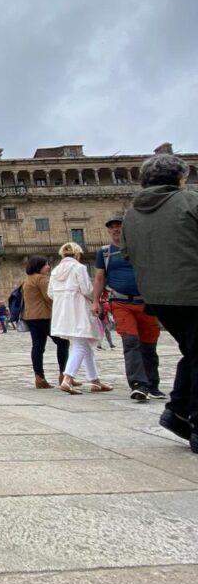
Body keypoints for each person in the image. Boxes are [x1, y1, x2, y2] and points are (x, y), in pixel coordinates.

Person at [121, 153, 198, 452]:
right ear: (180, 178)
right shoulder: (190, 201)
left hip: (156, 298)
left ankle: (177, 412)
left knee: (193, 352)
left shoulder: (131, 214)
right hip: (192, 291)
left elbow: (126, 253)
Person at [93, 214, 161, 403]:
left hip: (146, 302)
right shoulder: (105, 253)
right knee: (130, 342)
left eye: (119, 225)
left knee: (149, 345)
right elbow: (99, 278)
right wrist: (95, 301)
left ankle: (152, 384)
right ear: (108, 230)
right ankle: (138, 384)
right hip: (120, 302)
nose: (115, 229)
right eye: (112, 226)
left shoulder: (142, 247)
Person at [49, 243, 112, 395]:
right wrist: (96, 297)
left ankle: (95, 381)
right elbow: (87, 289)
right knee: (81, 345)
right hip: (78, 310)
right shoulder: (79, 268)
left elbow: (50, 293)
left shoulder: (55, 271)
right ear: (77, 255)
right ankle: (68, 378)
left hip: (62, 312)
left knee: (84, 345)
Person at [22, 255, 69, 388]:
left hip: (30, 317)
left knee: (37, 346)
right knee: (63, 342)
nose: (48, 267)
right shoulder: (41, 279)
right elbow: (49, 297)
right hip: (44, 316)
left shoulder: (27, 280)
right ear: (38, 266)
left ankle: (39, 378)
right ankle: (64, 375)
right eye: (46, 264)